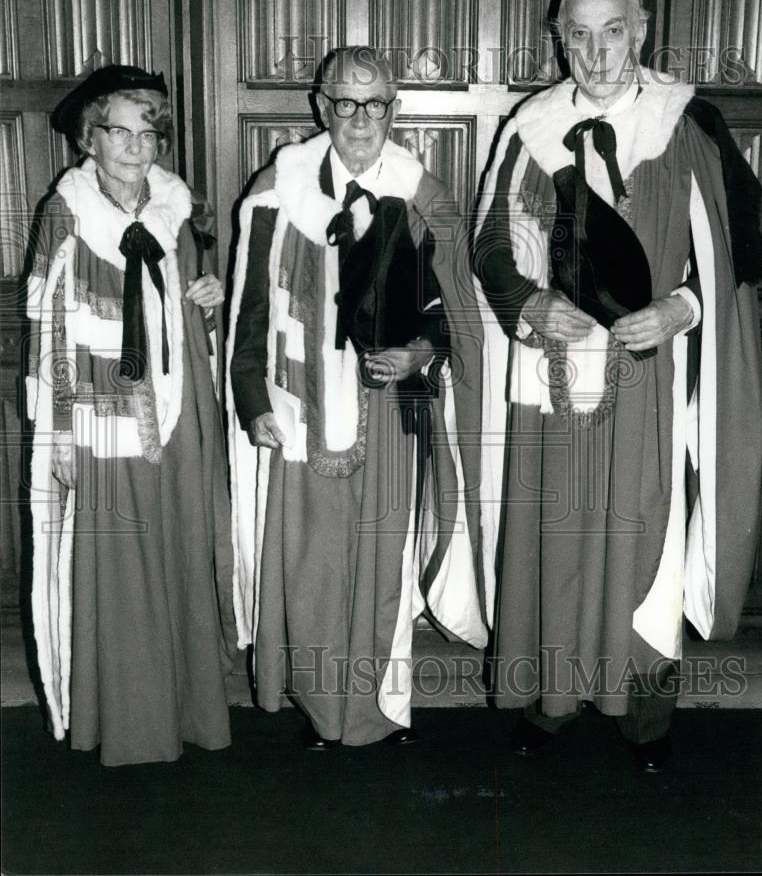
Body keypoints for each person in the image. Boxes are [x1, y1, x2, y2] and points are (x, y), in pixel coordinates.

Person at [473, 0, 762, 771]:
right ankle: (551, 699)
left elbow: (748, 240)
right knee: (554, 537)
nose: (596, 51)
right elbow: (491, 247)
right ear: (557, 37)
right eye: (579, 34)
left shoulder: (690, 124)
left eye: (613, 31)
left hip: (652, 380)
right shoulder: (527, 130)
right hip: (556, 385)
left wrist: (684, 306)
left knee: (646, 539)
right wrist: (529, 309)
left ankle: (647, 717)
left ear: (639, 30)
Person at [227, 46, 493, 748]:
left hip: (389, 408)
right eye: (345, 102)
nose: (360, 119)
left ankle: (382, 707)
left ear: (394, 110)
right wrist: (252, 398)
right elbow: (249, 310)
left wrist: (419, 352)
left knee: (382, 562)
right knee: (311, 566)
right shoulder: (276, 190)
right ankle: (320, 708)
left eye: (375, 104)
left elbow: (454, 315)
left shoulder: (423, 197)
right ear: (321, 106)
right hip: (298, 408)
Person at [27, 65, 237, 766]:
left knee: (179, 552)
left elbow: (184, 305)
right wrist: (57, 429)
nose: (136, 146)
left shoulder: (178, 208)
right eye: (120, 131)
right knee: (118, 565)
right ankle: (126, 724)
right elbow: (48, 327)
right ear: (91, 137)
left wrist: (207, 295)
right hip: (102, 411)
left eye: (149, 132)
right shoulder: (66, 212)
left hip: (178, 407)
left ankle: (190, 713)